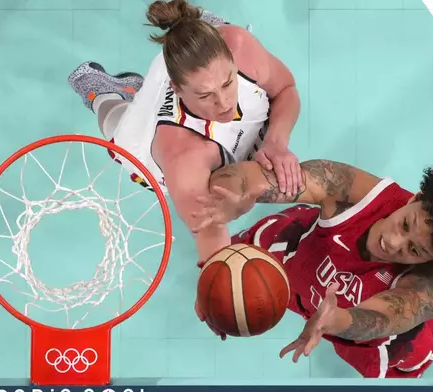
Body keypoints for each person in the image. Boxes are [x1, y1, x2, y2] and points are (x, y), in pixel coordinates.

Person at [191, 147, 433, 378]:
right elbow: (271, 179)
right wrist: (236, 191)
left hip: (358, 313)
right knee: (242, 261)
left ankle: (424, 335)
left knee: (403, 355)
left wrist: (336, 320)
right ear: (417, 199)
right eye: (406, 225)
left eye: (415, 251)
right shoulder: (358, 191)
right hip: (308, 256)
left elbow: (387, 315)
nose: (392, 243)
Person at [67, 0, 304, 262]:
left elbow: (285, 89)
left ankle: (193, 26)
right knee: (117, 123)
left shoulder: (238, 45)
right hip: (148, 137)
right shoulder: (184, 158)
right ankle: (101, 90)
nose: (224, 103)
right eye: (207, 96)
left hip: (192, 69)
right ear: (177, 90)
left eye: (228, 83)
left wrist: (276, 142)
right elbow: (211, 236)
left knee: (214, 44)